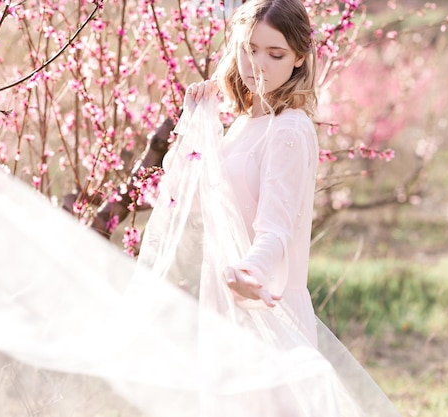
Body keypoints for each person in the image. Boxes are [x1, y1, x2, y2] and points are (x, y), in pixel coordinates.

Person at [134, 0, 402, 416]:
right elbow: (192, 197)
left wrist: (251, 273)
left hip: (262, 299)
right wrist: (196, 120)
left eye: (274, 54)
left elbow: (276, 228)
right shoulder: (242, 125)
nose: (257, 63)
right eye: (248, 49)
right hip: (224, 298)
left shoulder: (288, 129)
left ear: (298, 58)